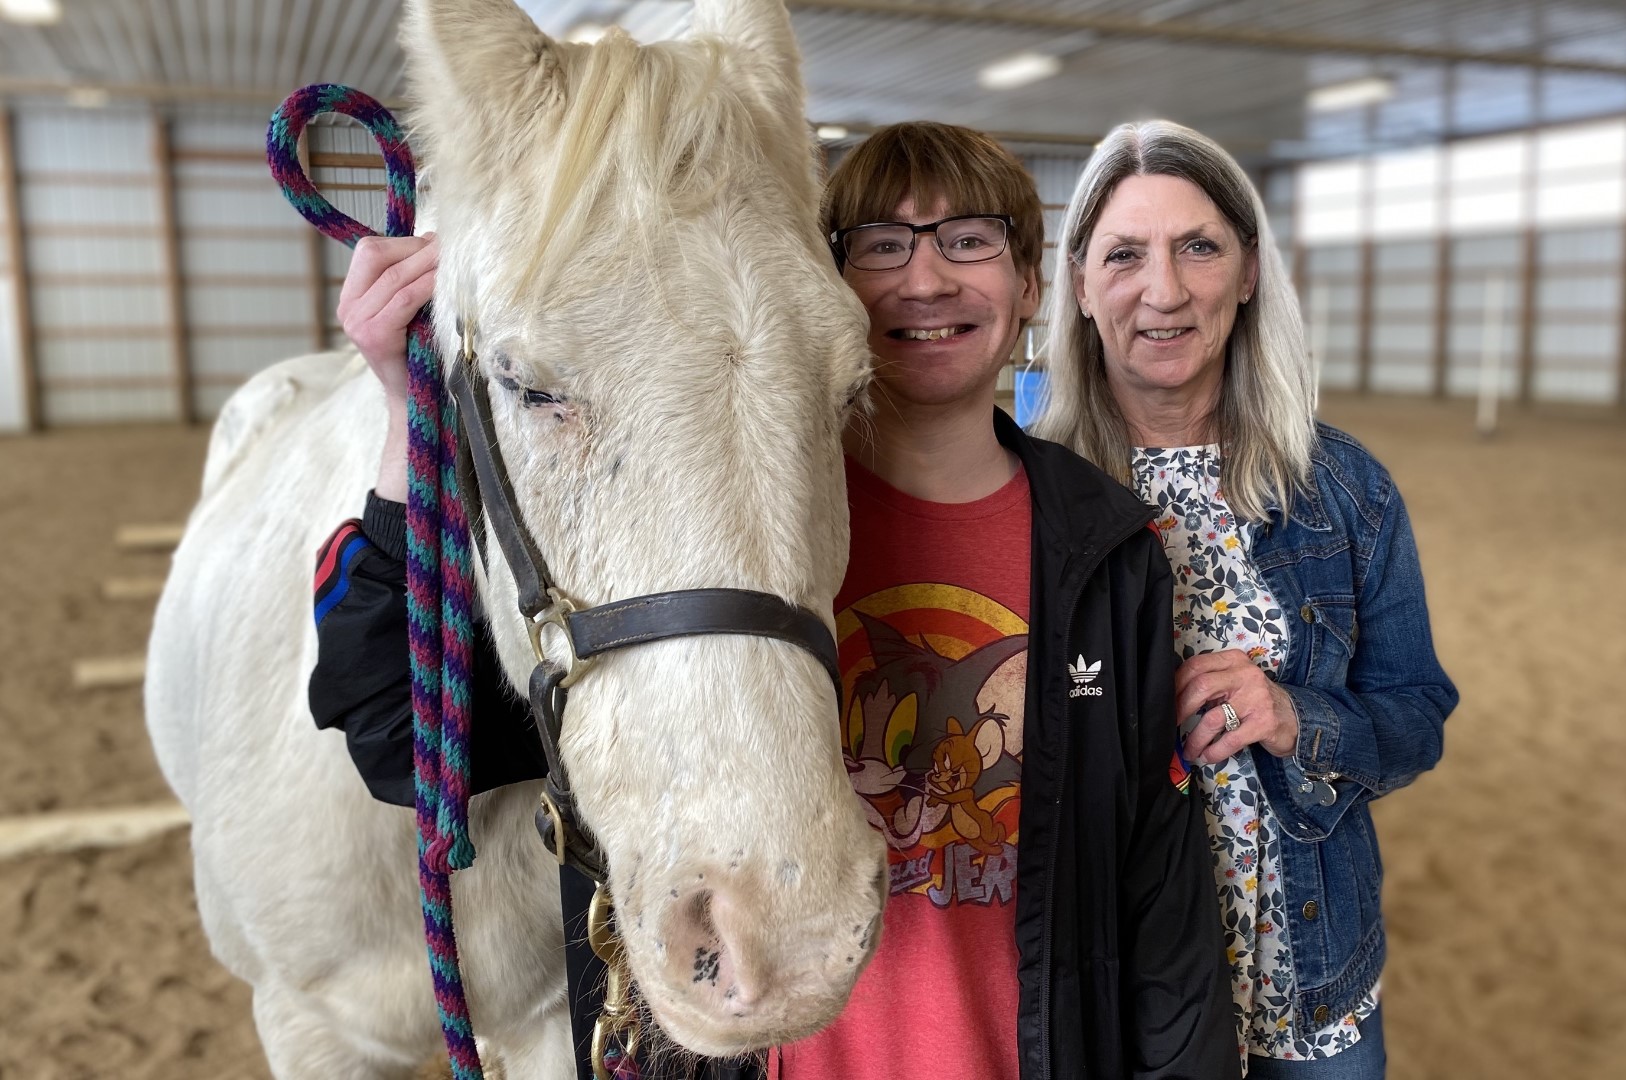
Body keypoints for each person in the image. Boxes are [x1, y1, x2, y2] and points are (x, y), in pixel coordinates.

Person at [310, 120, 1236, 1079]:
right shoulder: (700, 531)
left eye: (971, 241)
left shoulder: (1109, 549)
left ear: (1031, 285)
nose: (927, 281)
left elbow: (1156, 884)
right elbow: (402, 739)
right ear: (827, 284)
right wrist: (400, 407)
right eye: (883, 245)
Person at [1033, 119, 1459, 1080]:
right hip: (1099, 980)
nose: (1166, 290)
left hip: (1309, 985)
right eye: (1126, 254)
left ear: (1251, 269)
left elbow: (1417, 716)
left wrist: (1296, 715)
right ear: (1081, 283)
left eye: (1199, 247)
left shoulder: (1344, 490)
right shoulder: (1028, 493)